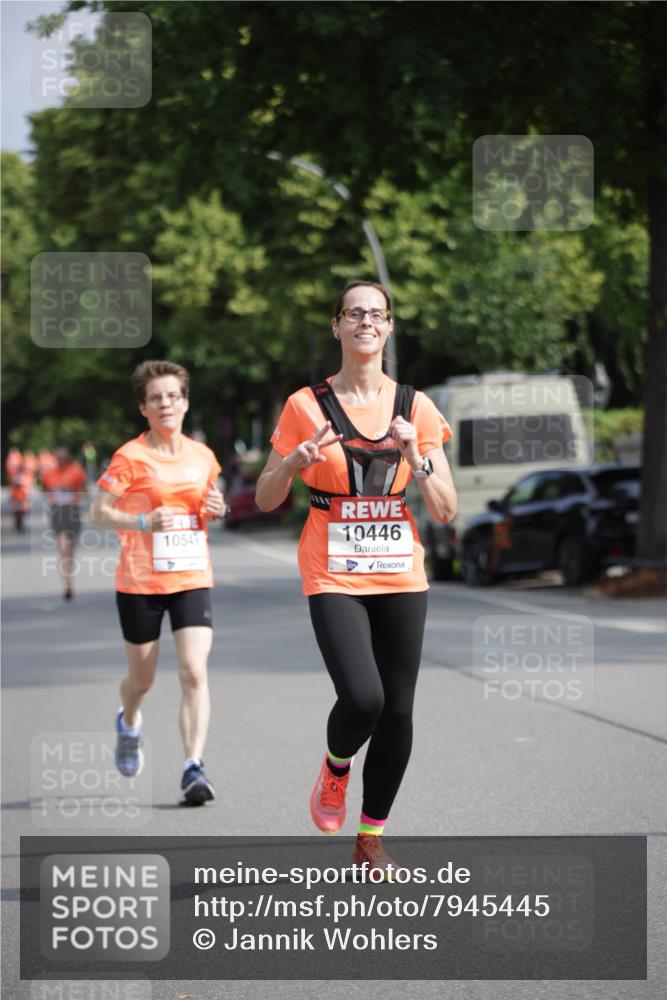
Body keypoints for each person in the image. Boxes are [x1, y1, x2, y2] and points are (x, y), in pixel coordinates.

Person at [256, 281, 457, 874]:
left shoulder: (415, 407)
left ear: (389, 328)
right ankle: (335, 766)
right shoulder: (304, 406)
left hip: (399, 572)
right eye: (354, 313)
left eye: (377, 313)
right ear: (336, 326)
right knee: (363, 697)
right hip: (333, 570)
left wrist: (416, 460)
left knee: (398, 710)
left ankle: (370, 838)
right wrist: (294, 461)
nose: (366, 321)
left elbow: (446, 510)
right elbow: (268, 497)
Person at [90, 360, 225, 806]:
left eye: (172, 396)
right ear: (144, 409)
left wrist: (216, 508)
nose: (165, 404)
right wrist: (143, 521)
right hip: (140, 582)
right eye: (155, 399)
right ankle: (129, 720)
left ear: (185, 402)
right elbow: (98, 512)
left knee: (194, 670)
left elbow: (207, 503)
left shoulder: (203, 457)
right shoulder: (131, 457)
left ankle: (193, 767)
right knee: (141, 680)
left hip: (190, 575)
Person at [41, 446, 88, 600]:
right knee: (63, 547)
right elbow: (45, 490)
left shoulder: (76, 471)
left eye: (63, 458)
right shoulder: (49, 474)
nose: (60, 461)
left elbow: (85, 492)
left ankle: (69, 580)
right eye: (58, 458)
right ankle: (67, 584)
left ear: (67, 458)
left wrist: (71, 491)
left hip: (72, 511)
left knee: (70, 551)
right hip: (57, 512)